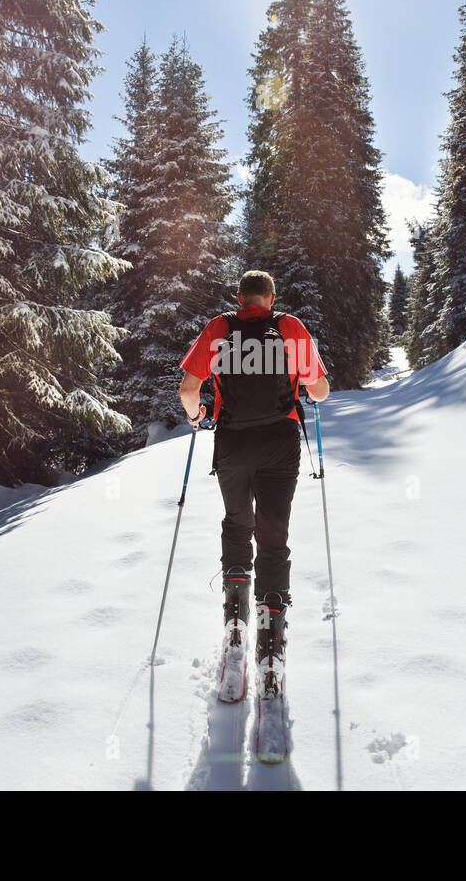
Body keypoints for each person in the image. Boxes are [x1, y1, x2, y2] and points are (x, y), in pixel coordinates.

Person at [178, 271, 329, 698]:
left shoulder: (220, 327)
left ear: (240, 297)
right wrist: (306, 383)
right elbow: (319, 392)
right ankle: (271, 637)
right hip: (280, 442)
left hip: (232, 443)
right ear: (271, 298)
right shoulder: (289, 327)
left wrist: (196, 417)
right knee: (274, 536)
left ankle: (235, 619)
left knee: (237, 522)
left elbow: (190, 389)